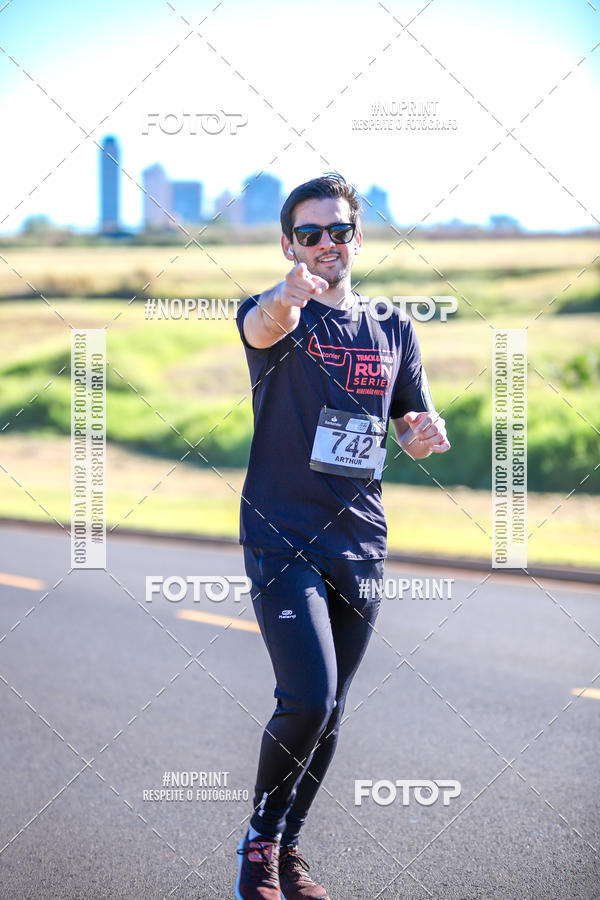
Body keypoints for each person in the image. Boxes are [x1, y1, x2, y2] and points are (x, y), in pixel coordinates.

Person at [234, 173, 450, 899]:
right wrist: (285, 297)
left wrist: (423, 435)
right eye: (310, 233)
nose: (326, 243)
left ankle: (289, 850)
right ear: (288, 244)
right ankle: (259, 845)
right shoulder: (274, 311)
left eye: (338, 230)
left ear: (357, 237)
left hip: (360, 540)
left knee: (331, 712)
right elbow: (262, 325)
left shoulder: (392, 326)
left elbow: (409, 426)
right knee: (308, 696)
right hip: (282, 533)